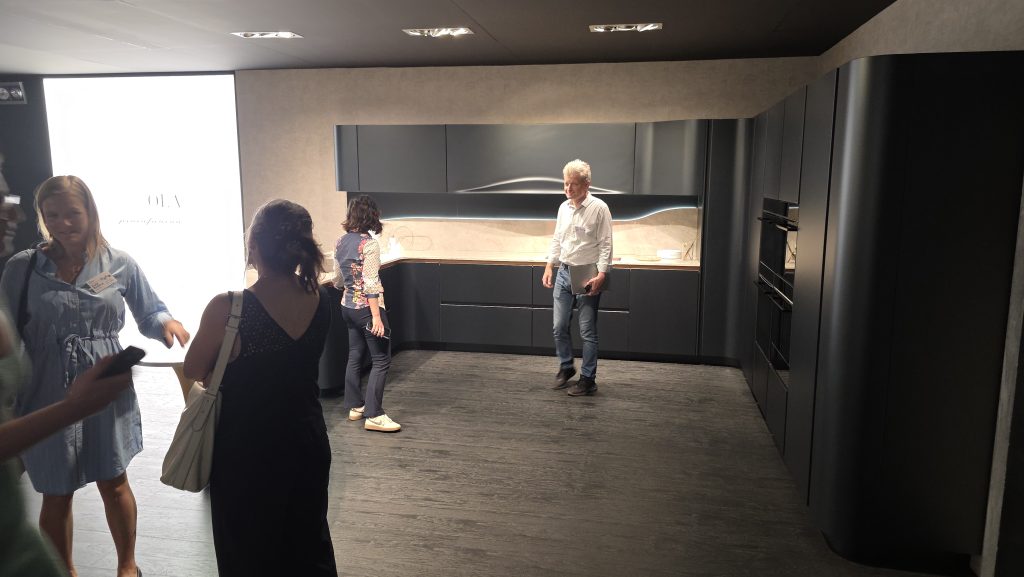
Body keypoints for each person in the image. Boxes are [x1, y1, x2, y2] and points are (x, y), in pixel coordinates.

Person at [0, 175, 188, 577]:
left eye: (72, 213)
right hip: (46, 388)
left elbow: (150, 310)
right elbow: (8, 333)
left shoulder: (118, 263)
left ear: (90, 212)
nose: (63, 223)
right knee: (56, 491)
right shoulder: (23, 267)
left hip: (104, 384)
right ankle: (64, 571)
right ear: (42, 217)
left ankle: (127, 567)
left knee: (114, 480)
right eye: (53, 215)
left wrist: (166, 324)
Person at [183, 199, 337, 577]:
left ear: (253, 246)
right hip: (307, 440)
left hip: (246, 449)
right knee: (307, 545)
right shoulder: (320, 298)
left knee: (247, 553)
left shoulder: (228, 307)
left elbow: (194, 368)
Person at [541, 159, 613, 397]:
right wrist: (549, 265)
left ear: (586, 184)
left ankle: (588, 379)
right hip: (563, 271)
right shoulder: (564, 208)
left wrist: (602, 274)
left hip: (587, 274)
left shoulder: (599, 208)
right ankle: (566, 366)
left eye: (573, 184)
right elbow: (557, 239)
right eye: (565, 183)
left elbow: (606, 244)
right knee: (558, 326)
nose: (568, 189)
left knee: (587, 331)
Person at [334, 194, 400, 433]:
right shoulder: (369, 244)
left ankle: (355, 406)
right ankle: (374, 414)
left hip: (347, 307)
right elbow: (371, 282)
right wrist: (376, 317)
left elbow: (338, 279)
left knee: (355, 354)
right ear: (371, 216)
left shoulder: (340, 242)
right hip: (367, 309)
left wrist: (350, 287)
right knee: (381, 360)